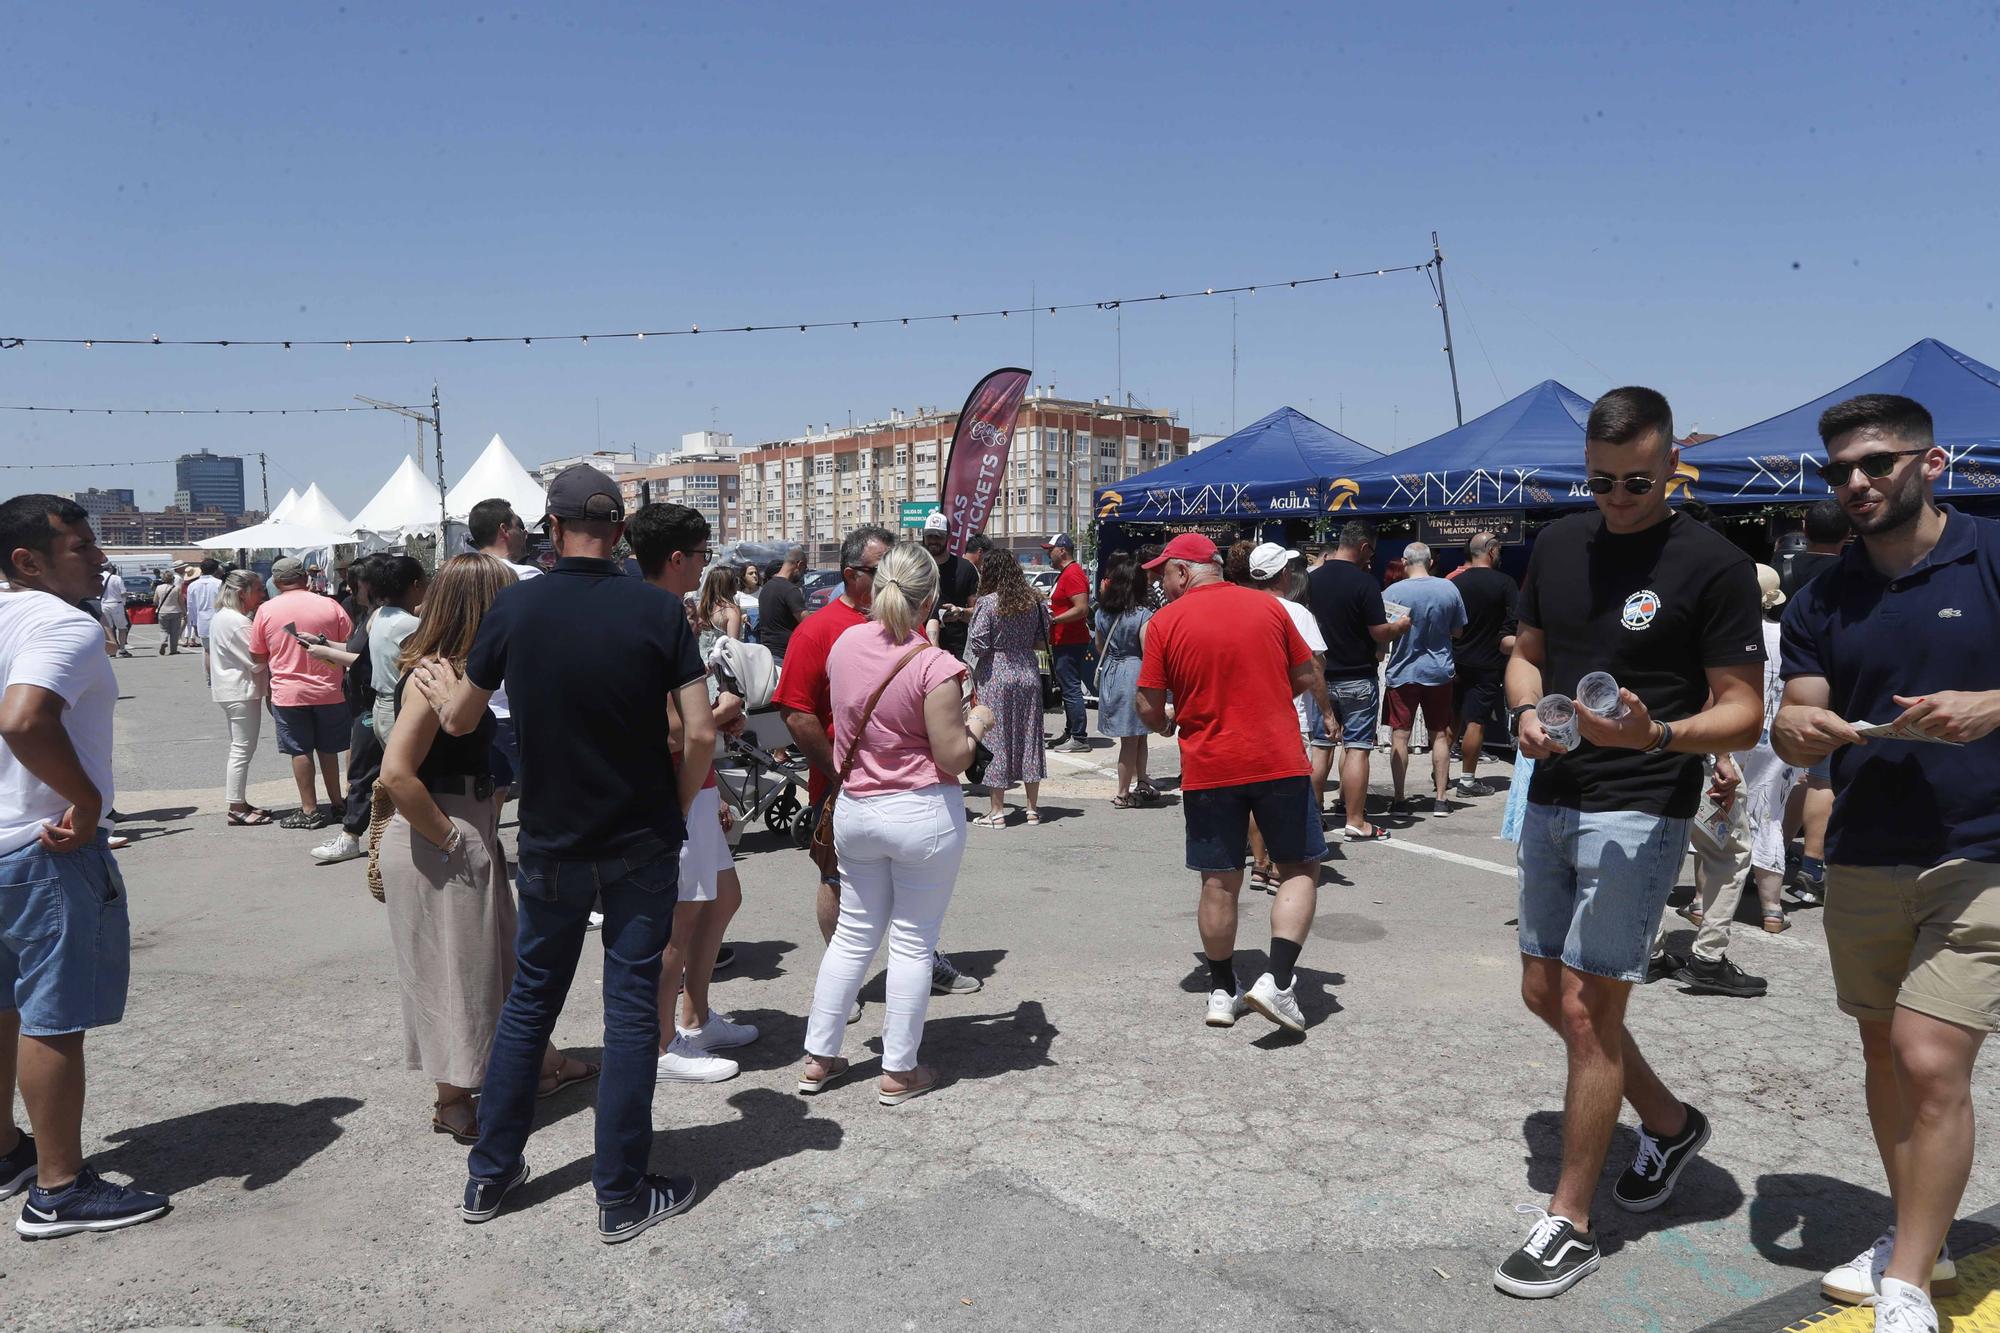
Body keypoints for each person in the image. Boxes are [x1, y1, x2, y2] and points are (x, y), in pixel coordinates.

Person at [1494, 386, 1765, 1301]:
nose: (1617, 497)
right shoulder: (1562, 541)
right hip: (1553, 789)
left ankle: (1571, 1221)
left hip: (1643, 801)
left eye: (1637, 482)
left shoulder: (1713, 563)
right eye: (1602, 480)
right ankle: (1671, 1121)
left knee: (1585, 1010)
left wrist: (1654, 735)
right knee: (1545, 992)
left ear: (1671, 461)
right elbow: (1525, 651)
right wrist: (1527, 708)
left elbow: (1742, 711)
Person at [411, 464, 714, 1243]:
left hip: (551, 837)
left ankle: (490, 1171)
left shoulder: (516, 605)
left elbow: (461, 719)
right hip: (641, 836)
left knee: (530, 1004)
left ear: (551, 525)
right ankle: (619, 1192)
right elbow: (701, 732)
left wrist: (443, 685)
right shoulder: (658, 610)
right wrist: (677, 809)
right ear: (617, 531)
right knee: (628, 1010)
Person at [1772, 393, 2000, 1329]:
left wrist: (1994, 705)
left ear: (1932, 463)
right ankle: (1922, 1234)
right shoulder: (1823, 591)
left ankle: (1906, 1283)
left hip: (1982, 849)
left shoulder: (1990, 552)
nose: (1856, 484)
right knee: (1883, 1052)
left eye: (1876, 463)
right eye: (1839, 471)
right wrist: (1796, 729)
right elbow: (1798, 715)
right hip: (1864, 852)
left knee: (1929, 1056)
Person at [378, 554, 597, 1144]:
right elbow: (396, 774)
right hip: (441, 831)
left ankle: (543, 1063)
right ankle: (452, 1098)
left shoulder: (463, 672)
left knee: (497, 961)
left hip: (464, 825)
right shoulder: (433, 674)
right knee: (456, 972)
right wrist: (452, 839)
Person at [0, 494, 170, 1238]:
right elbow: (23, 719)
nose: (100, 558)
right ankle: (59, 1188)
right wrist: (88, 800)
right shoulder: (60, 622)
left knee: (5, 1006)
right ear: (27, 560)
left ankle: (8, 1152)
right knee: (52, 1015)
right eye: (81, 546)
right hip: (46, 843)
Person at [798, 542, 991, 1105]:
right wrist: (978, 720)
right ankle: (898, 1068)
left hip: (857, 809)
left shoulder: (845, 644)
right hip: (920, 811)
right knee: (911, 942)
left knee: (853, 937)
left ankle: (820, 1055)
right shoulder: (934, 664)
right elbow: (954, 755)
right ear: (930, 596)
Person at [776, 526, 981, 1009]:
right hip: (848, 782)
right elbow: (795, 711)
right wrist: (836, 772)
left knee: (897, 913)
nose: (891, 575)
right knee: (839, 890)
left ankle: (908, 972)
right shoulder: (821, 631)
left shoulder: (881, 637)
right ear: (852, 575)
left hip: (877, 789)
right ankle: (854, 997)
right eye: (879, 568)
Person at [1135, 534, 1324, 1035]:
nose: (1160, 583)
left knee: (1218, 879)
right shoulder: (1270, 608)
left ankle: (1221, 991)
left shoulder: (1164, 623)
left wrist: (1169, 719)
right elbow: (1306, 675)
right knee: (1299, 866)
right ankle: (1277, 980)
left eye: (1162, 575)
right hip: (1277, 756)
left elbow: (1149, 706)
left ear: (1183, 572)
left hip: (1209, 764)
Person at [629, 503, 757, 1084]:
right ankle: (661, 1043)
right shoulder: (655, 618)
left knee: (721, 899)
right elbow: (675, 728)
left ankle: (695, 1015)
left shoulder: (660, 612)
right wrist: (723, 709)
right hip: (676, 789)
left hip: (694, 786)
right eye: (704, 555)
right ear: (678, 558)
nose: (709, 565)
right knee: (676, 926)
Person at [1307, 522, 1410, 840]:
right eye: (1372, 553)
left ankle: (1312, 817)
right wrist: (1400, 626)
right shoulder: (1364, 583)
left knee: (1321, 747)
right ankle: (1355, 820)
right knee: (1357, 749)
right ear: (1364, 547)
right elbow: (1379, 631)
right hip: (1357, 678)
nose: (1372, 559)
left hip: (1320, 677)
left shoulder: (1311, 580)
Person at [1779, 498, 1852, 909]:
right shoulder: (1853, 576)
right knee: (1820, 780)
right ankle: (1812, 862)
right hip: (1830, 693)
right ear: (1848, 534)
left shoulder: (1787, 570)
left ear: (1804, 530)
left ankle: (1771, 854)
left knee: (1787, 778)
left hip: (1780, 685)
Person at [1245, 543, 1334, 880]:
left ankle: (1259, 863)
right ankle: (1282, 866)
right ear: (1284, 574)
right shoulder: (1297, 614)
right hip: (1287, 716)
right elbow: (1314, 668)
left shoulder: (1243, 607)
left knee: (1256, 793)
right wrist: (1327, 713)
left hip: (1250, 715)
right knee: (1284, 796)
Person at [248, 557, 354, 830]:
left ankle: (309, 810)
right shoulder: (330, 604)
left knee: (300, 750)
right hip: (331, 690)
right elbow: (349, 643)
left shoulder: (266, 610)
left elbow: (257, 653)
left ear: (276, 581)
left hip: (289, 692)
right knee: (328, 749)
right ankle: (338, 803)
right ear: (305, 579)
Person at [966, 549, 1052, 826]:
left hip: (996, 675)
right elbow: (1043, 638)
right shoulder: (1034, 601)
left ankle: (997, 811)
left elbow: (978, 643)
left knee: (997, 739)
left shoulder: (988, 603)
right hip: (1027, 670)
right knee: (1030, 738)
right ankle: (1032, 809)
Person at [304, 555, 381, 866]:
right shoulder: (370, 614)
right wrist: (322, 643)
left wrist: (323, 650)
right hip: (365, 702)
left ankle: (351, 834)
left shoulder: (382, 617)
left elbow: (363, 660)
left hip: (375, 703)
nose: (351, 588)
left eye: (356, 581)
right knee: (367, 770)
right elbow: (354, 649)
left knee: (362, 771)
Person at [1383, 542, 1467, 817]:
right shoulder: (1448, 588)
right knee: (1439, 733)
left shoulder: (1393, 591)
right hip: (1439, 670)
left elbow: (1387, 634)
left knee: (1400, 735)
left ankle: (1399, 798)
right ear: (1431, 562)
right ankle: (1441, 798)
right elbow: (1458, 631)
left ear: (1405, 563)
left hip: (1403, 671)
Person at [468, 497, 542, 798]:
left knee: (488, 797)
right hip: (515, 705)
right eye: (518, 526)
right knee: (540, 793)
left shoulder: (458, 576)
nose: (523, 533)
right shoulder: (527, 577)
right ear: (504, 530)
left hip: (472, 702)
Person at [1451, 533, 1519, 797]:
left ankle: (1443, 775)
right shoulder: (1505, 583)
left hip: (1455, 660)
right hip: (1488, 663)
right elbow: (1514, 621)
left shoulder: (1455, 583)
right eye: (1499, 549)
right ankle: (1467, 781)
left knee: (1452, 718)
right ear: (1490, 551)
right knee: (1475, 722)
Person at [208, 571, 273, 827]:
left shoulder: (225, 618)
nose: (261, 594)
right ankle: (236, 806)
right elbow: (257, 662)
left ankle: (239, 803)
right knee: (242, 749)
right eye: (257, 589)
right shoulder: (237, 622)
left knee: (241, 747)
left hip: (233, 690)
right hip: (240, 690)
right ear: (241, 593)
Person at [1092, 553, 1156, 807]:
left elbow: (1099, 646)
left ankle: (1142, 782)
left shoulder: (1102, 613)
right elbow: (1148, 650)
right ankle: (1122, 792)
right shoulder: (1143, 615)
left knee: (1137, 734)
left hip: (1111, 671)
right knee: (1133, 737)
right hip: (1135, 672)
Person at [367, 556, 428, 743]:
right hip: (398, 707)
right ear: (416, 585)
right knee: (407, 768)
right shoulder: (408, 624)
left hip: (382, 705)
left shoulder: (381, 613)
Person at [1042, 534, 1091, 753]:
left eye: (1050, 549)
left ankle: (1079, 737)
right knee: (1068, 688)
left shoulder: (1072, 574)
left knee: (1071, 689)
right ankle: (1072, 732)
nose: (1047, 554)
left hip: (1070, 641)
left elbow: (1081, 609)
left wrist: (1054, 619)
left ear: (1062, 550)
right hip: (1064, 640)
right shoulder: (1067, 573)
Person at [921, 511, 980, 659]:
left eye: (938, 536)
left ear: (948, 537)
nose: (933, 540)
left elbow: (979, 613)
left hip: (957, 650)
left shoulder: (965, 568)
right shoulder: (914, 567)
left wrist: (960, 612)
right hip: (918, 647)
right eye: (929, 536)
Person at [757, 545, 808, 661]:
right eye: (804, 569)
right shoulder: (790, 590)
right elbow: (807, 622)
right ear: (799, 565)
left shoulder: (766, 587)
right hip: (784, 655)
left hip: (766, 655)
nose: (803, 574)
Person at [696, 564, 746, 656]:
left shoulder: (701, 606)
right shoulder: (731, 611)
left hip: (701, 659)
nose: (737, 583)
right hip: (720, 663)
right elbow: (733, 648)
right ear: (728, 584)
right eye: (735, 580)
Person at [184, 559, 222, 669]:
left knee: (207, 651)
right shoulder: (219, 584)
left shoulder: (193, 585)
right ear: (216, 570)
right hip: (218, 620)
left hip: (202, 621)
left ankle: (210, 677)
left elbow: (191, 607)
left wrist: (193, 623)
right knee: (220, 651)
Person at [153, 567, 186, 656]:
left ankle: (163, 641)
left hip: (162, 611)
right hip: (175, 611)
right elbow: (181, 601)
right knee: (175, 631)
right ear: (173, 579)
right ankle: (173, 650)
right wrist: (184, 611)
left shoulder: (159, 588)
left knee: (163, 629)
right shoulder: (177, 588)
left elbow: (155, 601)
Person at [98, 568, 131, 657]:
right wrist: (128, 594)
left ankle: (110, 650)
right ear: (110, 569)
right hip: (116, 604)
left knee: (108, 629)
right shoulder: (116, 578)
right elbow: (122, 593)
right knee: (122, 628)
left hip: (103, 604)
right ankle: (122, 650)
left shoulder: (99, 577)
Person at [733, 562, 761, 632]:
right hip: (743, 634)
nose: (754, 575)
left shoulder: (763, 592)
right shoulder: (738, 595)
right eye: (750, 573)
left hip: (759, 632)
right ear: (744, 577)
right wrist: (742, 618)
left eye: (756, 573)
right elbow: (733, 616)